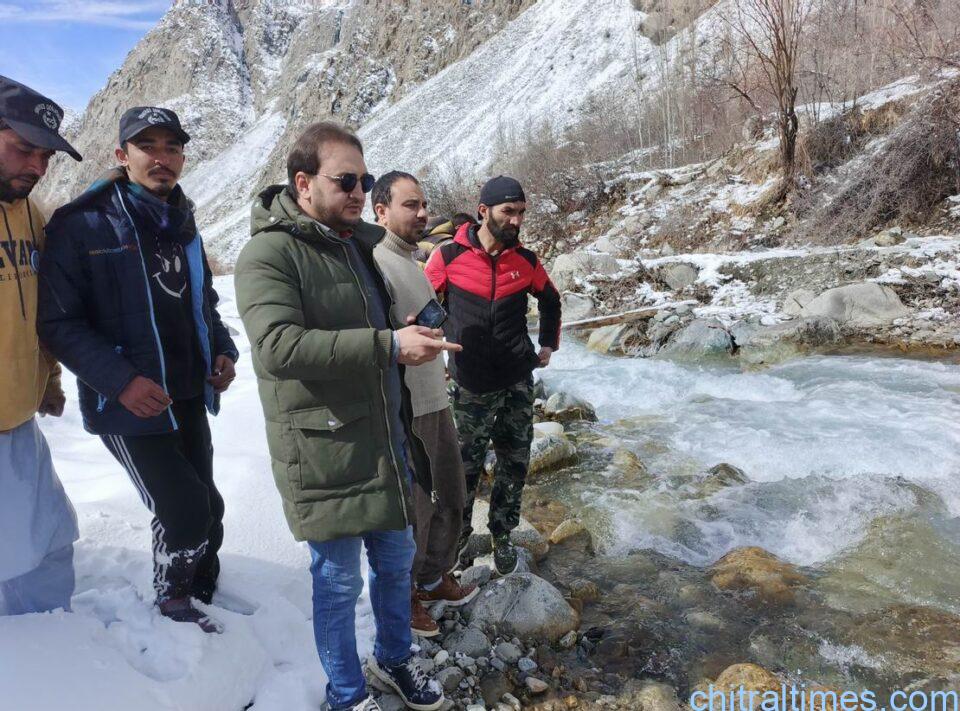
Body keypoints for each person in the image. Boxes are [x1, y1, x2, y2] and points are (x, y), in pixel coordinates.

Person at [235, 123, 457, 711]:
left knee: (394, 563)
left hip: (384, 439)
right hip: (322, 448)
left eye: (363, 179)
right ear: (303, 182)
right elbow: (278, 347)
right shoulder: (268, 252)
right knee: (337, 583)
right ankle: (346, 693)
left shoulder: (358, 241)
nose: (360, 191)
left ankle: (394, 662)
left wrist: (417, 335)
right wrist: (389, 345)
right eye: (346, 180)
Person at [38, 106, 238, 633]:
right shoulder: (81, 223)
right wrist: (121, 381)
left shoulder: (182, 217)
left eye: (172, 147)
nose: (162, 158)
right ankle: (172, 602)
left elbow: (203, 298)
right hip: (126, 402)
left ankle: (202, 590)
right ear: (121, 156)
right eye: (148, 146)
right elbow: (59, 322)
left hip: (188, 391)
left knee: (209, 508)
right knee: (183, 509)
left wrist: (222, 350)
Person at [425, 176, 561, 576]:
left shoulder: (527, 261)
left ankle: (502, 535)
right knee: (463, 471)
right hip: (469, 385)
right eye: (508, 212)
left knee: (513, 464)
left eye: (521, 212)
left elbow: (551, 300)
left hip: (517, 380)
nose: (516, 220)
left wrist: (548, 344)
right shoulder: (448, 257)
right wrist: (428, 342)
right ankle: (459, 539)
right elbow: (422, 305)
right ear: (483, 211)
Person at [371, 171, 478, 640]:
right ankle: (407, 592)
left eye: (423, 205)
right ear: (381, 212)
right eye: (410, 205)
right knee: (416, 505)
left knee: (451, 495)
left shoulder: (413, 261)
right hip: (407, 408)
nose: (422, 213)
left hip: (435, 397)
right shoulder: (376, 263)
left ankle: (434, 578)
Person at [0, 75, 81, 616]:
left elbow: (34, 309)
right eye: (23, 148)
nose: (36, 166)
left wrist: (47, 379)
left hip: (19, 417)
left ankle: (58, 650)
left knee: (51, 541)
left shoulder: (30, 214)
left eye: (45, 155)